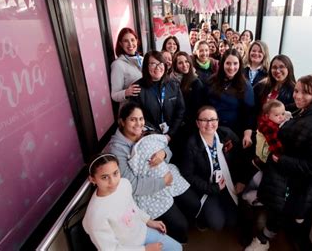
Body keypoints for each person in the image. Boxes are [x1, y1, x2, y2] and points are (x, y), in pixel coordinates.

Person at [246, 75, 312, 251]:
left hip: (292, 179)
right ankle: (262, 236)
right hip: (282, 174)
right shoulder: (299, 111)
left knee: (277, 212)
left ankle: (263, 240)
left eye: (306, 93)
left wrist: (283, 160)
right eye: (297, 91)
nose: (298, 96)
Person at [108, 102, 200, 243]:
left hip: (166, 173)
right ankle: (176, 239)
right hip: (146, 190)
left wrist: (163, 154)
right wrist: (163, 182)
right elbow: (131, 184)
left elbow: (167, 148)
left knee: (194, 204)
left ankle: (181, 221)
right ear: (122, 122)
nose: (139, 123)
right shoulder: (117, 149)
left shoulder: (146, 130)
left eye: (141, 118)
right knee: (180, 225)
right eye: (133, 119)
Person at [82, 153, 182, 251]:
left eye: (115, 173)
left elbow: (132, 207)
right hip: (127, 247)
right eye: (104, 177)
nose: (113, 182)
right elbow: (110, 249)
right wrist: (145, 249)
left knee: (177, 248)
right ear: (92, 179)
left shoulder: (124, 184)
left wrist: (148, 221)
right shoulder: (95, 216)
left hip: (143, 232)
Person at [181, 106, 242, 231]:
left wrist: (242, 180)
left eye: (213, 119)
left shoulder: (226, 134)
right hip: (207, 187)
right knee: (217, 224)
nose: (209, 124)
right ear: (198, 123)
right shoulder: (191, 144)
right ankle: (202, 217)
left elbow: (241, 158)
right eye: (204, 120)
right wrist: (212, 188)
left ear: (218, 121)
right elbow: (188, 174)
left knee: (232, 222)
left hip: (227, 183)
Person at [242, 100, 291, 206]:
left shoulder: (269, 121)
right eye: (277, 115)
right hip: (264, 157)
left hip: (262, 155)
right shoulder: (269, 127)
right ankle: (258, 196)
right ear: (267, 115)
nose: (281, 117)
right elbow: (275, 145)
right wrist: (283, 155)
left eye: (282, 114)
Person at [130, 51, 185, 141]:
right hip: (150, 137)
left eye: (160, 64)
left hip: (174, 135)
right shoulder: (137, 88)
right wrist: (157, 134)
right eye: (153, 64)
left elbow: (180, 111)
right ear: (146, 66)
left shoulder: (173, 84)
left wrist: (170, 134)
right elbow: (137, 116)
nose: (158, 67)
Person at [206, 49, 255, 149]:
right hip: (210, 128)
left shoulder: (245, 86)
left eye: (235, 63)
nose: (232, 67)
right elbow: (204, 105)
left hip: (233, 132)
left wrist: (247, 135)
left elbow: (249, 113)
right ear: (222, 63)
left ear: (240, 64)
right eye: (228, 63)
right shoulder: (211, 81)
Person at [110, 27, 142, 109]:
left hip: (147, 107)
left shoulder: (143, 59)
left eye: (132, 40)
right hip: (130, 111)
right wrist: (126, 92)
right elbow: (114, 95)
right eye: (125, 41)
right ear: (120, 44)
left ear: (137, 41)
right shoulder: (118, 65)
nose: (130, 44)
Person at [171, 51, 205, 128]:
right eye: (180, 63)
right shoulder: (170, 80)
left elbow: (198, 108)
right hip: (174, 122)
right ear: (175, 65)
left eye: (186, 61)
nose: (184, 65)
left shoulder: (196, 82)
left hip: (189, 124)